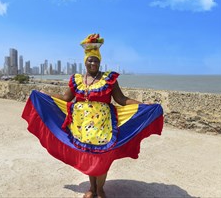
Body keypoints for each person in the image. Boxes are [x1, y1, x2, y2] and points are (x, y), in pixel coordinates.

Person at [22, 33, 164, 198]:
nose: (93, 63)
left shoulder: (109, 79)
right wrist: (46, 94)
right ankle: (92, 188)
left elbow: (121, 99)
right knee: (89, 155)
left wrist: (141, 104)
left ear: (100, 61)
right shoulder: (77, 79)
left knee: (102, 156)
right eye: (90, 60)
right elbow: (67, 98)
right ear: (85, 62)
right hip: (81, 125)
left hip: (104, 125)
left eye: (96, 60)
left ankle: (100, 189)